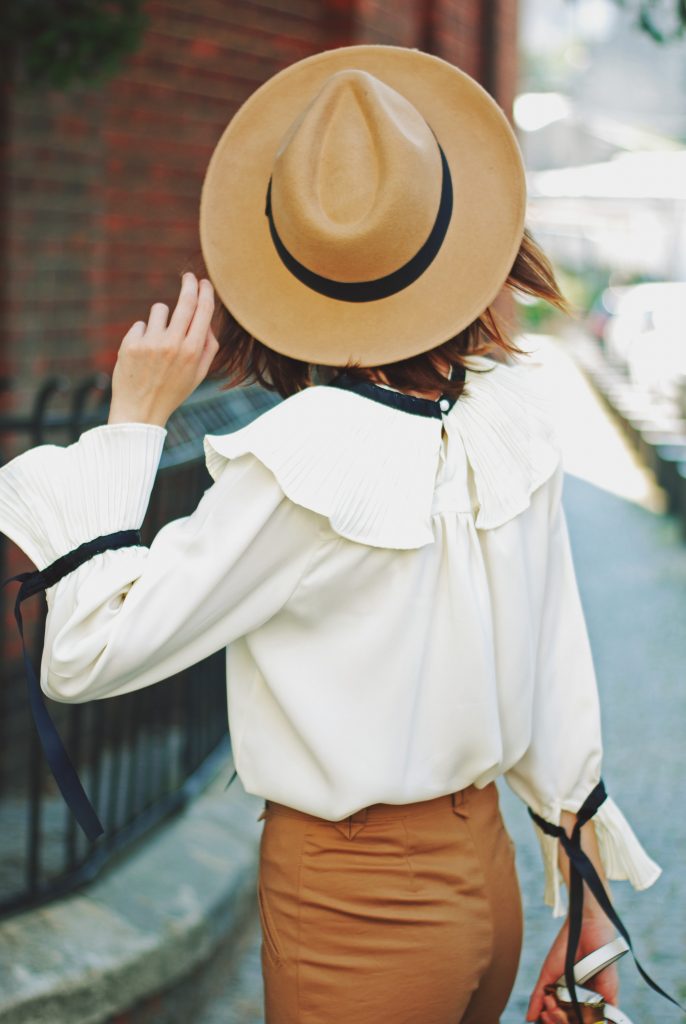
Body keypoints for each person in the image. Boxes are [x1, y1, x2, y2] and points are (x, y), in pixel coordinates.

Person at [0, 44, 678, 1024]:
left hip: (354, 907)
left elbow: (86, 651)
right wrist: (587, 909)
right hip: (480, 880)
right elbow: (556, 678)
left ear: (283, 262)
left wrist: (135, 420)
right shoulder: (507, 412)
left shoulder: (303, 463)